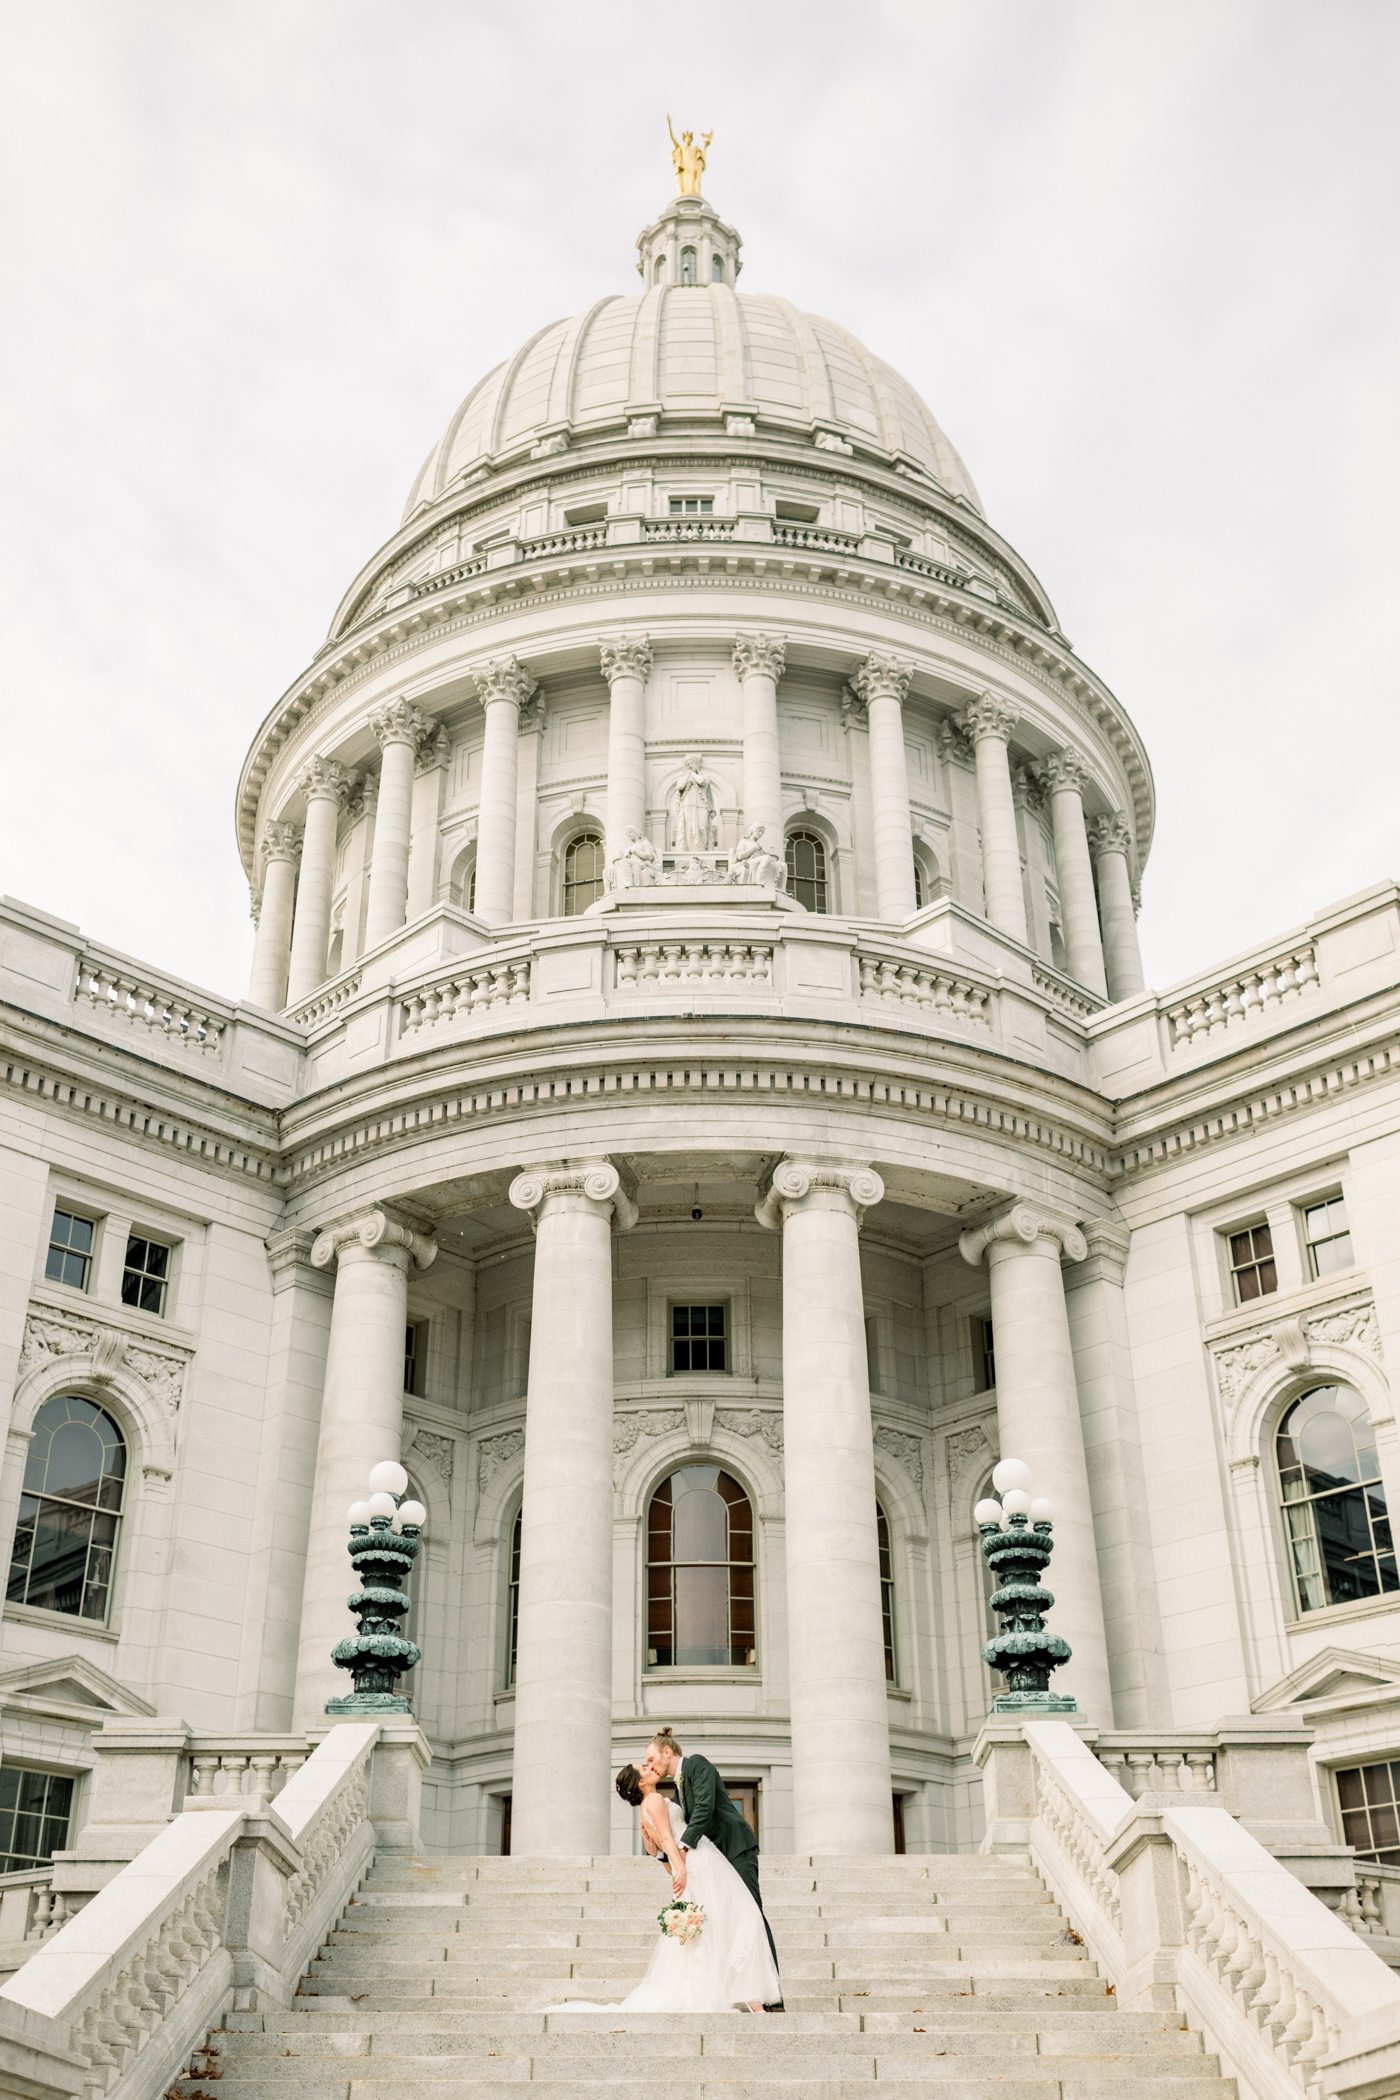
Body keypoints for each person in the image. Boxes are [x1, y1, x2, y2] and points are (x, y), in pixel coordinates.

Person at [539, 1728, 781, 2015]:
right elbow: (666, 1841)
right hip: (701, 1862)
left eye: (649, 1760)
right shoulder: (656, 1800)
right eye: (645, 1765)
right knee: (737, 1918)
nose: (649, 1765)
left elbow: (677, 1833)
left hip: (730, 1848)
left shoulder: (692, 1768)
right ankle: (756, 1999)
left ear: (667, 1752)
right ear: (641, 1782)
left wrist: (674, 1861)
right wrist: (680, 1868)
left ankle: (762, 1997)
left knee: (742, 1916)